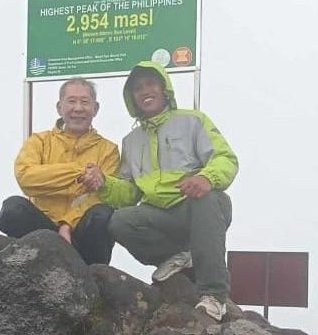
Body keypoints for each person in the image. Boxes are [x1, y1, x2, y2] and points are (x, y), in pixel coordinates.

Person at [82, 61, 238, 321]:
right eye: (138, 88)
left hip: (199, 207)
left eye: (151, 84)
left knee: (207, 199)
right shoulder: (131, 142)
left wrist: (206, 177)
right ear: (131, 97)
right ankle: (177, 257)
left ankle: (214, 295)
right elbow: (130, 193)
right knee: (120, 220)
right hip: (161, 217)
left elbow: (226, 159)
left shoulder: (193, 120)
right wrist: (105, 183)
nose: (145, 91)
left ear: (165, 89)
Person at [0, 77, 119, 265]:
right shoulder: (39, 141)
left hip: (82, 234)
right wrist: (79, 172)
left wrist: (67, 224)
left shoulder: (108, 150)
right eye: (71, 101)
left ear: (96, 109)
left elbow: (101, 196)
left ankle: (95, 274)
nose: (78, 108)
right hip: (44, 228)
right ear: (59, 107)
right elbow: (27, 178)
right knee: (12, 208)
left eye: (85, 102)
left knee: (102, 213)